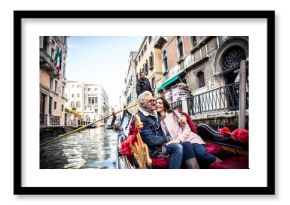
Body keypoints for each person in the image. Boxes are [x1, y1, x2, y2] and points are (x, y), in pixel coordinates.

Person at [155, 97, 222, 168]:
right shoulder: (157, 121)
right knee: (186, 145)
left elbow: (187, 129)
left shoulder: (173, 114)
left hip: (191, 139)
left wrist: (178, 139)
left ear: (165, 105)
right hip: (182, 144)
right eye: (156, 103)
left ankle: (223, 164)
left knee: (200, 154)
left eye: (160, 103)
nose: (157, 104)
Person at [137, 91, 183, 169]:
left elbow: (166, 112)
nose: (154, 103)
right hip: (154, 149)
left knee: (183, 145)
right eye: (150, 101)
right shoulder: (141, 119)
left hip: (162, 144)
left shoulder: (153, 112)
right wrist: (169, 138)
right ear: (143, 104)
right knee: (178, 148)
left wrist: (181, 117)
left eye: (153, 100)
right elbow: (152, 140)